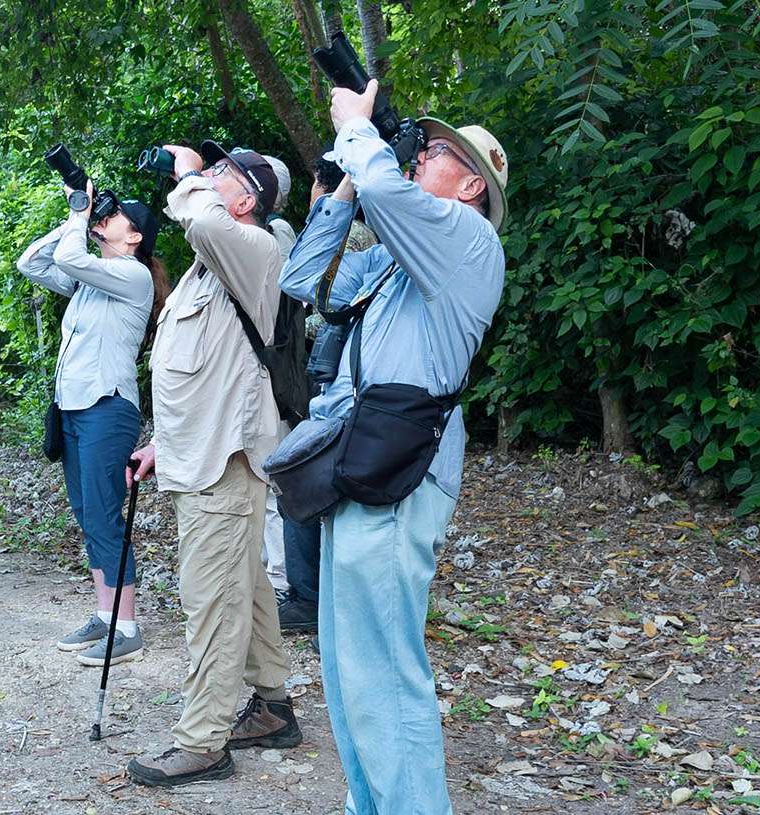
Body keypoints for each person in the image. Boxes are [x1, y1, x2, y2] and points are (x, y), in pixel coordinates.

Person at [279, 80, 509, 814]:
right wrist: (345, 185)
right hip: (367, 468)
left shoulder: (470, 238)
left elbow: (392, 189)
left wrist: (358, 129)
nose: (417, 155)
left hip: (402, 477)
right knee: (349, 669)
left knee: (386, 669)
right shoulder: (397, 263)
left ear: (471, 182)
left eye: (434, 151)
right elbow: (301, 277)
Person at [124, 141, 300, 787]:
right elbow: (206, 373)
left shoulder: (258, 250)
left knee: (211, 600)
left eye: (221, 176)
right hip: (201, 450)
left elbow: (200, 216)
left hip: (224, 460)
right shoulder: (209, 268)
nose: (204, 182)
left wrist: (189, 168)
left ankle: (202, 740)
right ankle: (274, 706)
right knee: (245, 585)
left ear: (245, 199)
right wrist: (160, 442)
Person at [16, 183, 167, 666]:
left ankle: (127, 626)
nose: (108, 217)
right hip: (74, 409)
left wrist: (83, 220)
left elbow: (72, 259)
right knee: (87, 514)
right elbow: (32, 263)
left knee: (104, 513)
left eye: (117, 215)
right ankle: (105, 616)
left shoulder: (133, 277)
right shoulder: (92, 277)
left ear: (135, 236)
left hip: (108, 408)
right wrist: (75, 217)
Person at [276, 150, 381, 638]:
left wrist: (310, 328)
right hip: (339, 381)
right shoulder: (368, 237)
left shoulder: (355, 238)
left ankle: (311, 598)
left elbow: (319, 299)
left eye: (316, 186)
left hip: (344, 378)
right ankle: (320, 598)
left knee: (310, 478)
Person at [258, 154, 295, 602]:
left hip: (274, 373)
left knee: (272, 479)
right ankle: (268, 576)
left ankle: (281, 580)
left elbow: (279, 303)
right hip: (262, 372)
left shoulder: (277, 232)